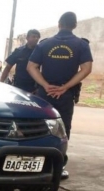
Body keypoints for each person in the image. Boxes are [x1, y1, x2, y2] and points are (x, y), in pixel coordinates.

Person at [27, 11, 93, 179]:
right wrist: (65, 87)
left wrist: (45, 85)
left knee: (38, 128)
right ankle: (58, 167)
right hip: (65, 95)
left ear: (59, 24)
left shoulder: (45, 44)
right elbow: (86, 68)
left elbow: (31, 66)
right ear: (75, 25)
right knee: (63, 130)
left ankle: (35, 165)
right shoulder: (81, 45)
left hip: (44, 94)